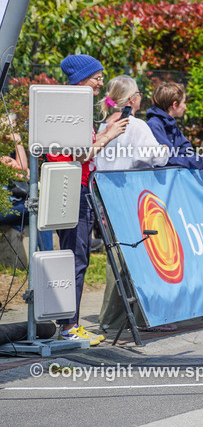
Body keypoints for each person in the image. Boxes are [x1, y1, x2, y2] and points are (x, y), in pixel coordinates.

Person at [46, 56, 129, 345]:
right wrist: (107, 136)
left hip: (78, 187)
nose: (100, 83)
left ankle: (69, 324)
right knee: (75, 260)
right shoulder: (70, 110)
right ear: (81, 78)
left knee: (77, 259)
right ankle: (69, 326)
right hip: (71, 188)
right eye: (96, 77)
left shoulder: (76, 108)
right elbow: (80, 154)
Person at [95, 76, 173, 332]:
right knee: (137, 257)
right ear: (131, 99)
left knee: (116, 257)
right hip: (132, 196)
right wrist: (165, 149)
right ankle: (132, 317)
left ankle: (114, 319)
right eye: (138, 93)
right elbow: (154, 157)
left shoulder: (103, 127)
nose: (141, 97)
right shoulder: (136, 126)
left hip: (106, 197)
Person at [146, 82, 203, 174]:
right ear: (175, 105)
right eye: (184, 102)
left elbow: (188, 154)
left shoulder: (171, 125)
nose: (185, 106)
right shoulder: (154, 125)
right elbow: (167, 159)